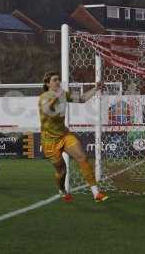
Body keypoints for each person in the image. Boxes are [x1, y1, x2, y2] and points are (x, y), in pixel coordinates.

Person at [39, 71, 108, 202]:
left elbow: (81, 99)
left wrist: (96, 88)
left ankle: (96, 193)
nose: (57, 82)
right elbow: (47, 111)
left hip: (64, 135)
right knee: (62, 171)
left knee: (82, 157)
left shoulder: (63, 94)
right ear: (48, 84)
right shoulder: (44, 97)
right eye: (54, 80)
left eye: (58, 79)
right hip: (50, 141)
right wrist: (56, 97)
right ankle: (62, 190)